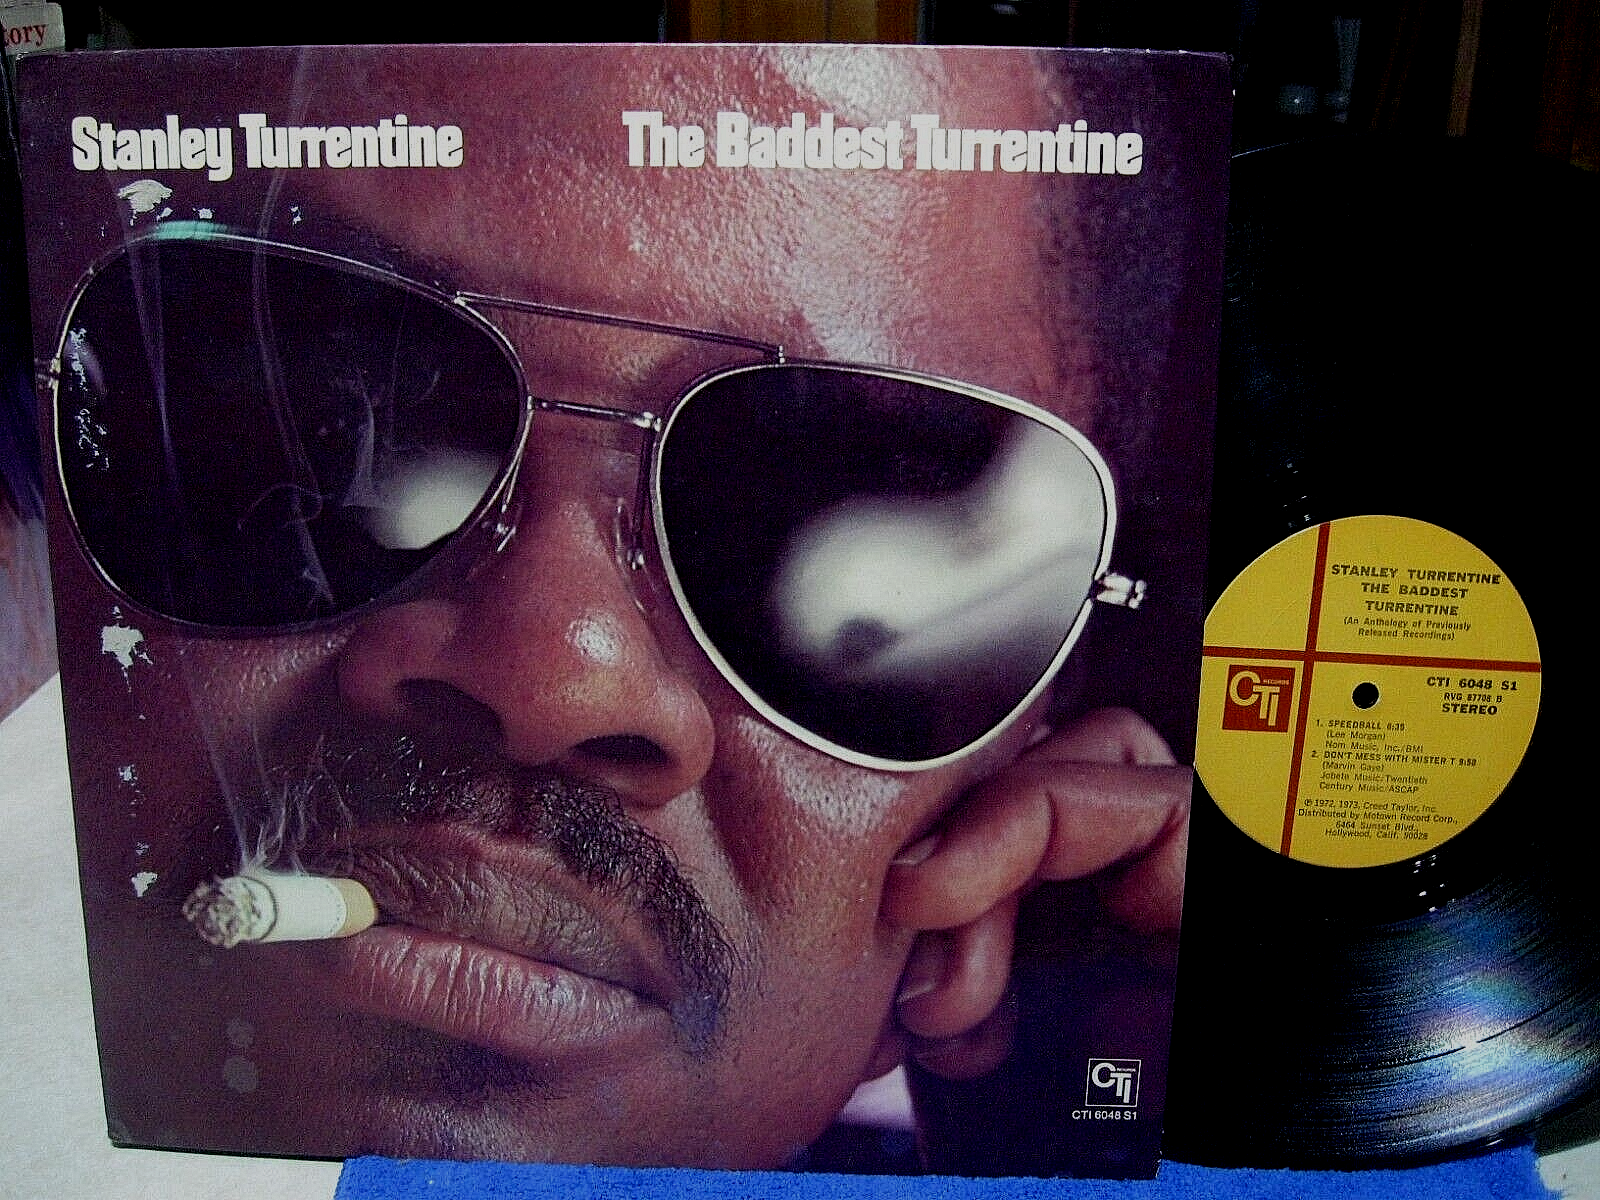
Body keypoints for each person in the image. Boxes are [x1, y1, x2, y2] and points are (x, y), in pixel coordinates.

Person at [28, 43, 1220, 1172]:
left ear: (1026, 752)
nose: (555, 677)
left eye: (804, 503)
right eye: (313, 425)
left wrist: (1105, 1151)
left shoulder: (1074, 1106)